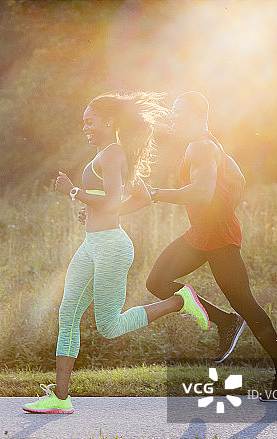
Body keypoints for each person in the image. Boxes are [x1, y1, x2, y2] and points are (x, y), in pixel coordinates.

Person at [22, 92, 210, 414]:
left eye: (89, 122)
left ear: (107, 121)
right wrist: (92, 211)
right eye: (84, 123)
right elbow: (125, 200)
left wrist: (73, 192)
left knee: (108, 327)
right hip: (92, 244)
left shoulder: (112, 155)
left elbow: (109, 201)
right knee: (68, 315)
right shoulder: (110, 155)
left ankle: (180, 301)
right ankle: (61, 397)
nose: (85, 128)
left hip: (111, 248)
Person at [144, 91, 277, 402]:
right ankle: (226, 321)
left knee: (245, 302)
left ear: (195, 114)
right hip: (202, 232)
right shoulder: (210, 144)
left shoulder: (200, 146)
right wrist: (226, 205)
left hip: (217, 237)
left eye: (178, 112)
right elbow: (238, 177)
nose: (173, 117)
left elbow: (202, 192)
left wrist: (156, 193)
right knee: (158, 282)